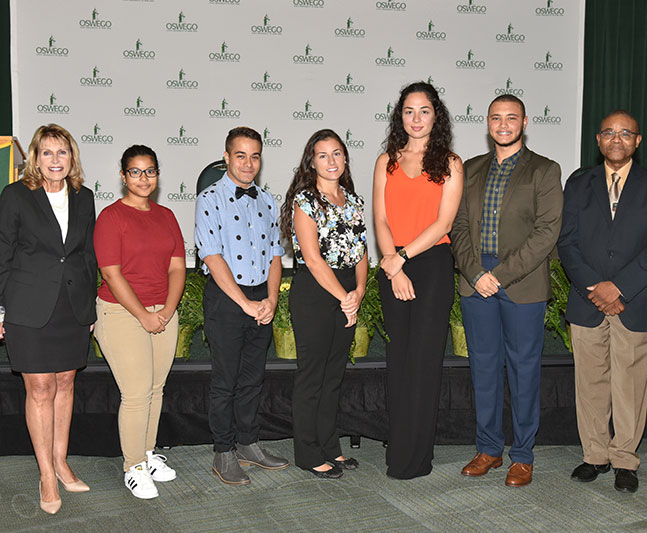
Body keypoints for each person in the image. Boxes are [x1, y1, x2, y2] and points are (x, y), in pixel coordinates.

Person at [557, 110, 647, 493]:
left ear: (637, 141)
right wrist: (596, 288)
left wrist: (618, 288)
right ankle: (594, 455)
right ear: (598, 140)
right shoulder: (578, 185)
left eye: (625, 134)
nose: (616, 139)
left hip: (635, 302)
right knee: (590, 383)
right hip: (587, 300)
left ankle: (625, 458)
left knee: (630, 385)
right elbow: (567, 242)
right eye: (609, 133)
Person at [0, 123, 97, 514]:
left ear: (72, 157)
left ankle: (62, 462)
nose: (54, 160)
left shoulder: (85, 197)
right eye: (46, 153)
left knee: (66, 382)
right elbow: (3, 254)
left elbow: (86, 256)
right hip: (28, 307)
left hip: (72, 307)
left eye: (61, 152)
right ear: (35, 157)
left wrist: (90, 306)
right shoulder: (15, 195)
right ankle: (46, 474)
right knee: (40, 389)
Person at [451, 95, 563, 487]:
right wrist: (475, 271)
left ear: (524, 122)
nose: (503, 124)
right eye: (496, 118)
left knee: (523, 371)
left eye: (511, 118)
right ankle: (489, 449)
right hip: (474, 282)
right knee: (483, 370)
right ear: (487, 122)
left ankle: (523, 455)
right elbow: (459, 226)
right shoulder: (470, 169)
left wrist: (498, 275)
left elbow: (547, 232)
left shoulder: (545, 171)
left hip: (521, 285)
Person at [373, 81, 463, 480]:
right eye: (409, 111)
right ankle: (399, 452)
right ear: (400, 116)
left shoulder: (451, 163)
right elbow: (380, 218)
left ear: (436, 116)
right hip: (394, 264)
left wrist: (402, 259)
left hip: (430, 266)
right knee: (399, 360)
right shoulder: (385, 161)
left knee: (424, 363)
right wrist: (392, 264)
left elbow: (444, 223)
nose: (416, 118)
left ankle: (417, 458)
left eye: (424, 111)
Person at [195, 126, 289, 485]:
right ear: (226, 157)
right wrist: (245, 304)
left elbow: (276, 256)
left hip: (261, 298)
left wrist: (271, 299)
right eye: (240, 155)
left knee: (253, 378)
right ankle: (223, 452)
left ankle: (249, 444)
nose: (248, 163)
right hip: (226, 300)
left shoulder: (267, 200)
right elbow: (213, 256)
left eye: (254, 156)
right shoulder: (209, 199)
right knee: (226, 380)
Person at [93, 145, 186, 499]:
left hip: (164, 311)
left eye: (150, 171)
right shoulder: (111, 217)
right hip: (121, 312)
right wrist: (144, 315)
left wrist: (165, 310)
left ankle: (146, 455)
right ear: (123, 176)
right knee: (135, 394)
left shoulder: (166, 216)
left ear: (158, 175)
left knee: (155, 390)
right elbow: (112, 275)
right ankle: (132, 466)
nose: (143, 178)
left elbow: (178, 266)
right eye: (136, 171)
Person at [281, 129, 368, 479]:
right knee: (312, 377)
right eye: (322, 155)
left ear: (345, 159)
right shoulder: (305, 201)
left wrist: (359, 291)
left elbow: (362, 253)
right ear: (311, 162)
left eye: (337, 154)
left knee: (334, 377)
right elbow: (314, 261)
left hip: (348, 292)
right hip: (316, 293)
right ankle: (308, 452)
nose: (331, 161)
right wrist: (344, 297)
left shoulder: (354, 200)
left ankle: (331, 446)